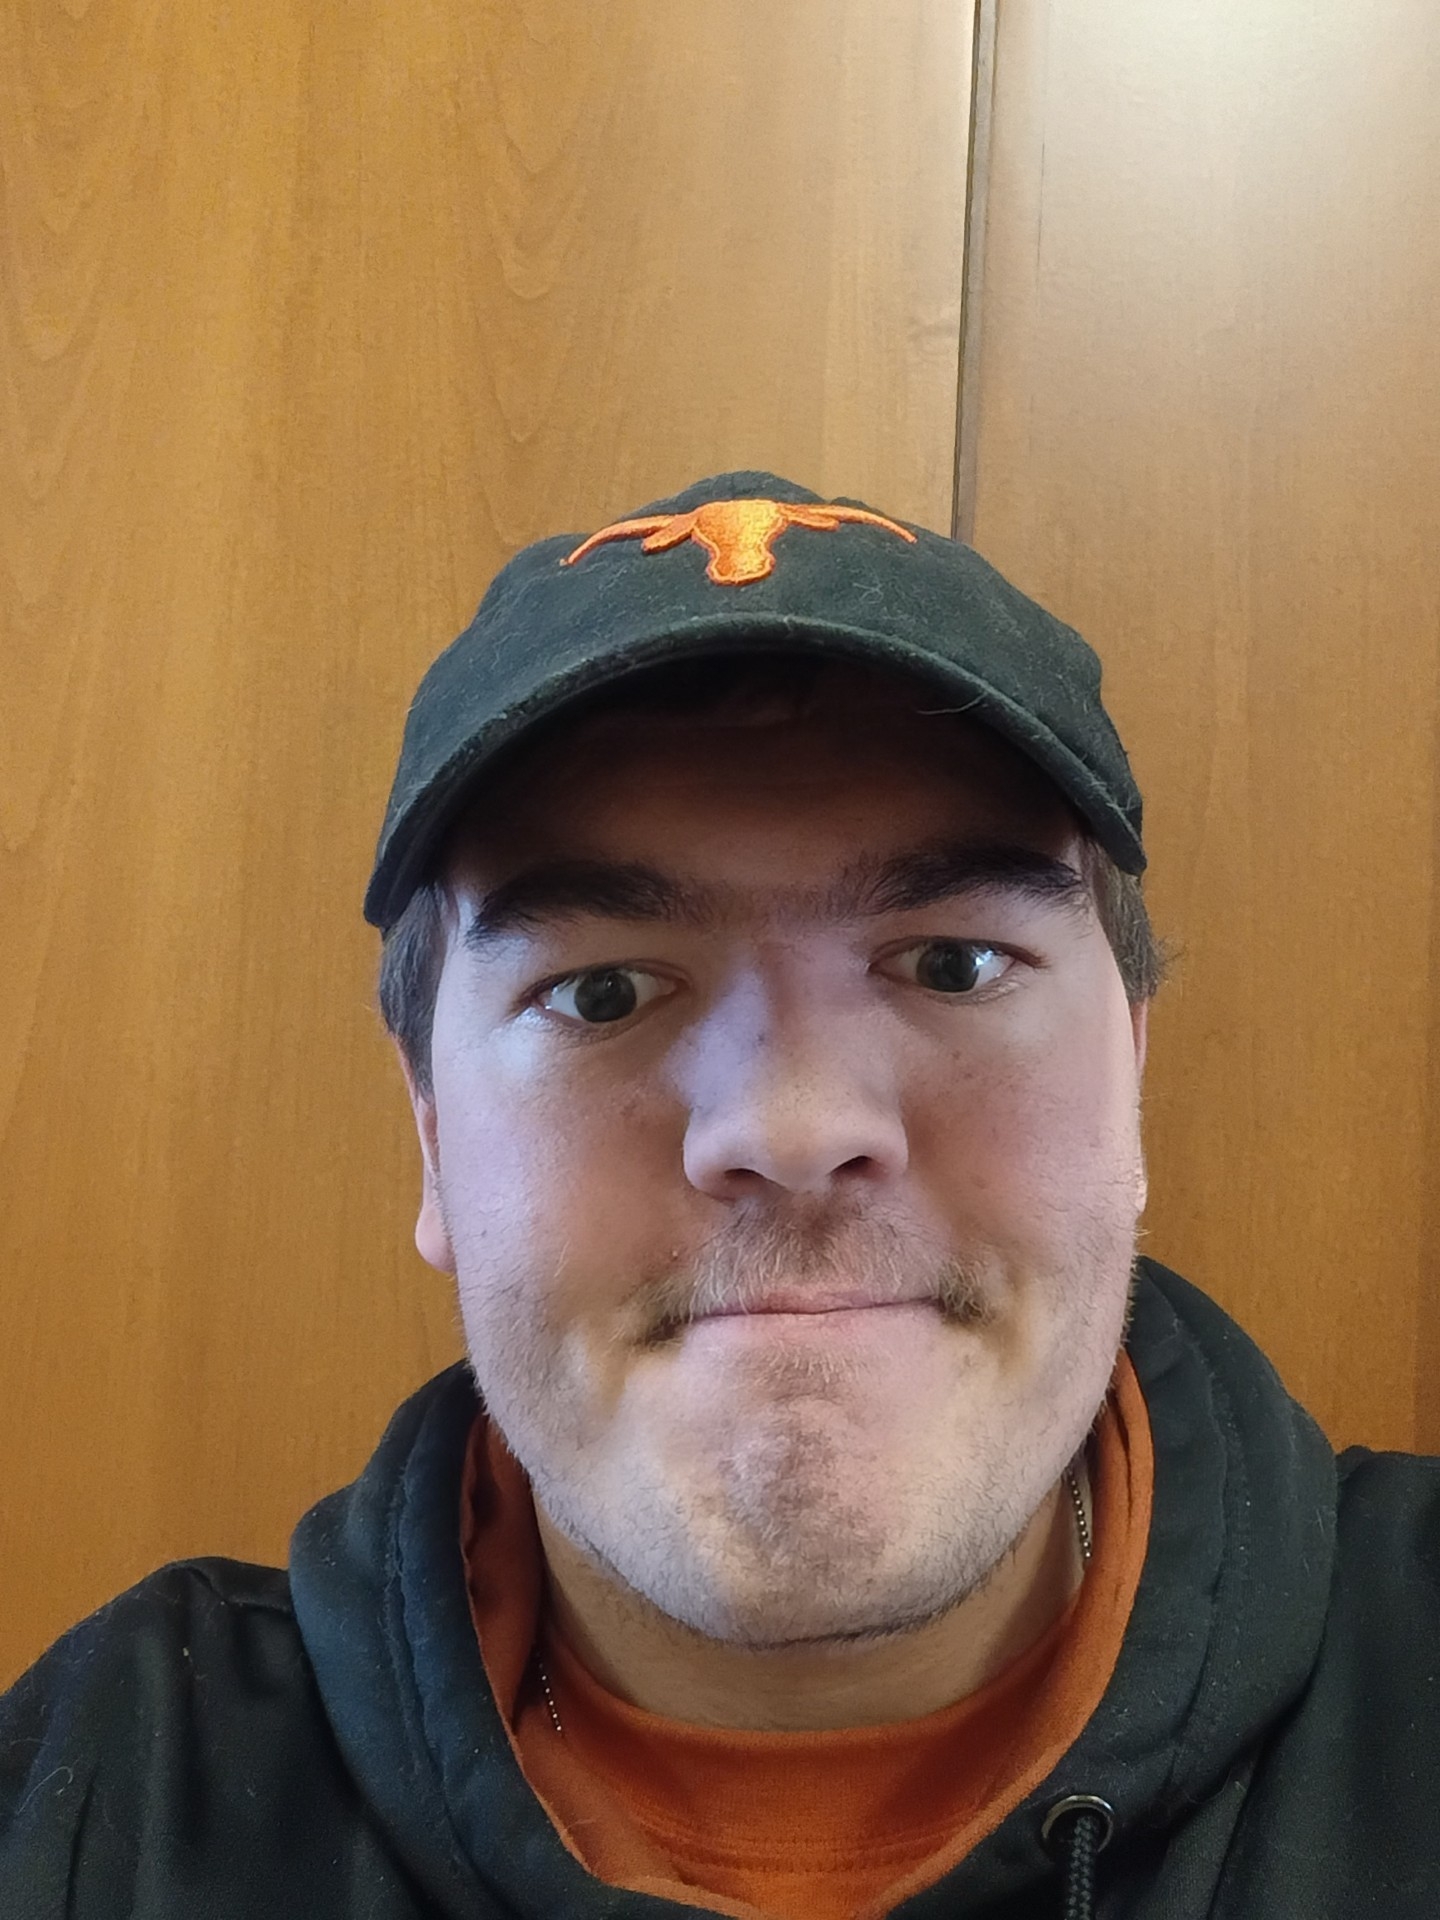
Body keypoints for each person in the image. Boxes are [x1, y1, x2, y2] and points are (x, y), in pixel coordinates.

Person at [2, 471, 1436, 1920]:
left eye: (953, 965)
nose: (793, 1128)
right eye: (602, 992)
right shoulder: (109, 1797)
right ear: (432, 1137)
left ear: (1130, 1075)